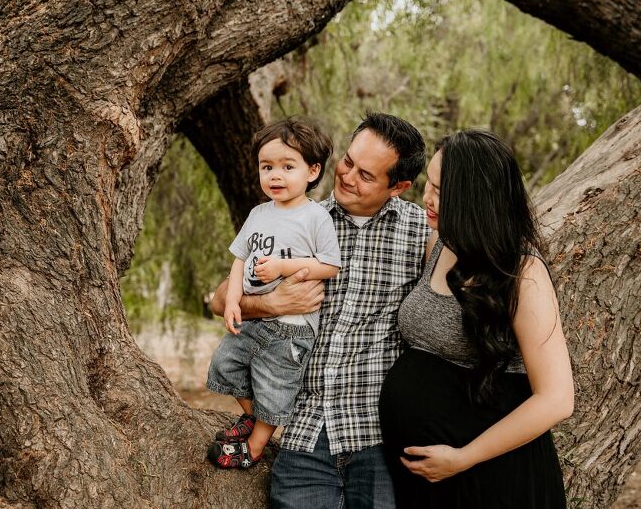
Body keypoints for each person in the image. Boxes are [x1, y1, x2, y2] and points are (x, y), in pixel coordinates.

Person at [211, 113, 429, 508]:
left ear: (398, 187)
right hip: (304, 431)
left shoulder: (422, 234)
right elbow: (218, 299)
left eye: (366, 175)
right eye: (348, 161)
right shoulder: (298, 217)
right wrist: (269, 304)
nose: (346, 177)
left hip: (378, 435)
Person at [378, 129, 574, 508]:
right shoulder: (440, 244)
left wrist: (462, 458)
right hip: (428, 481)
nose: (428, 198)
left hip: (492, 479)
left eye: (441, 189)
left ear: (474, 196)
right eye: (429, 184)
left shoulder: (521, 272)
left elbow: (557, 399)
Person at [206, 117, 342, 469]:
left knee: (275, 385)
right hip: (255, 319)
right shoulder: (258, 213)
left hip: (292, 327)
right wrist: (233, 300)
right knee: (226, 365)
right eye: (267, 167)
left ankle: (254, 448)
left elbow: (329, 266)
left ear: (312, 172)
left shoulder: (315, 218)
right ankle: (252, 419)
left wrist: (284, 268)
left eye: (287, 166)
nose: (275, 176)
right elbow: (239, 259)